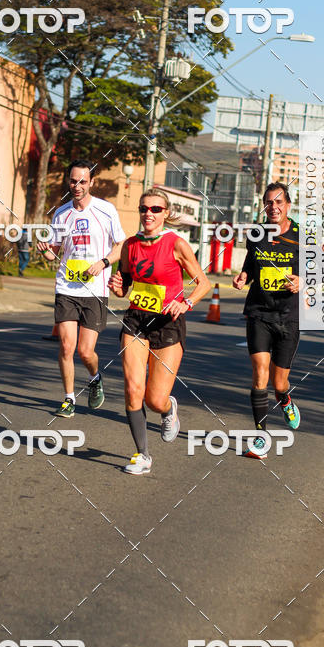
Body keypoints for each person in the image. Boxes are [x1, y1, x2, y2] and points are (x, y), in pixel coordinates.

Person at [108, 188, 211, 475]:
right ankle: (142, 455)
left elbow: (203, 283)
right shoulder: (130, 245)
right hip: (136, 320)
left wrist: (186, 302)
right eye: (144, 208)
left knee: (154, 400)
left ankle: (167, 409)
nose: (148, 214)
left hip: (168, 323)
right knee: (133, 389)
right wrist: (117, 287)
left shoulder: (176, 244)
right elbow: (124, 287)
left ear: (165, 213)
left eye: (155, 209)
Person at [37, 160, 126, 416]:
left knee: (86, 352)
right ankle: (68, 398)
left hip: (95, 291)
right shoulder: (61, 213)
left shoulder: (106, 210)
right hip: (67, 287)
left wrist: (103, 262)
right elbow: (53, 253)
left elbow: (121, 245)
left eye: (83, 181)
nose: (77, 186)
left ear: (91, 183)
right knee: (66, 347)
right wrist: (45, 250)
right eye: (73, 181)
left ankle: (95, 377)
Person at [233, 182, 301, 460]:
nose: (273, 207)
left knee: (278, 382)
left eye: (279, 202)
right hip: (259, 311)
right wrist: (244, 276)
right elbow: (251, 264)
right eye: (269, 202)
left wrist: (302, 281)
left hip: (289, 316)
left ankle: (285, 399)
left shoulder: (303, 236)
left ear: (288, 205)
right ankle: (261, 436)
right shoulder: (256, 233)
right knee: (260, 372)